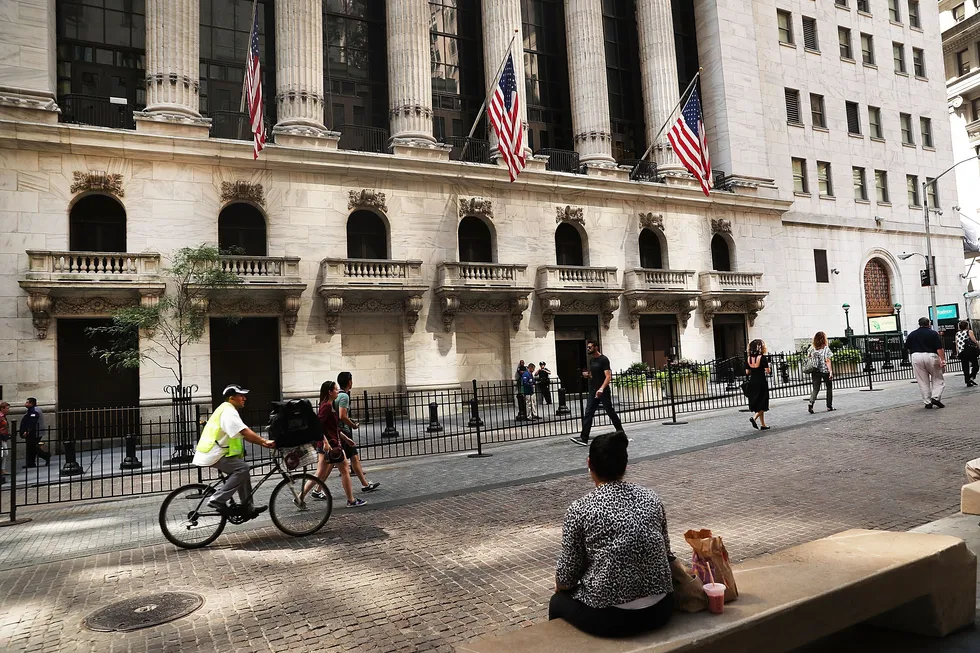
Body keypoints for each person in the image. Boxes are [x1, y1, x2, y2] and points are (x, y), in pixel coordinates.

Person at [549, 431, 674, 637]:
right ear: (625, 465)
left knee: (558, 602)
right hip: (661, 607)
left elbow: (566, 577)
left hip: (611, 616)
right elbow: (667, 553)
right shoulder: (651, 497)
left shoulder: (580, 509)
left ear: (590, 463)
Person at [193, 384, 275, 519]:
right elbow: (243, 431)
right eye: (241, 395)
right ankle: (217, 499)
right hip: (213, 453)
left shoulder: (227, 410)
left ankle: (247, 508)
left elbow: (239, 433)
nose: (245, 398)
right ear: (231, 398)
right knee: (243, 468)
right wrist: (263, 441)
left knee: (243, 472)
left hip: (216, 452)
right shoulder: (227, 411)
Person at [310, 371, 380, 499]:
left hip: (336, 435)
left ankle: (314, 490)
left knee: (334, 464)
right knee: (346, 463)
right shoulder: (343, 398)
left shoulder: (334, 399)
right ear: (349, 381)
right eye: (334, 389)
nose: (336, 391)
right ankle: (354, 496)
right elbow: (340, 416)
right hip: (337, 435)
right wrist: (351, 426)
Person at [312, 380, 366, 508]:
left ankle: (302, 496)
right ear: (330, 392)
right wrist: (325, 442)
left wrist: (346, 439)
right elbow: (318, 426)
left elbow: (333, 427)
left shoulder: (329, 405)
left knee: (321, 473)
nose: (338, 391)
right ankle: (351, 500)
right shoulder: (326, 406)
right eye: (335, 389)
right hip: (331, 444)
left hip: (334, 443)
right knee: (344, 470)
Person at [570, 340, 624, 446]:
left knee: (610, 412)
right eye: (588, 347)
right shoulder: (591, 360)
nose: (588, 349)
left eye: (590, 347)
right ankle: (584, 438)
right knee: (588, 413)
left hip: (602, 390)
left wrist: (602, 389)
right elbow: (593, 376)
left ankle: (621, 433)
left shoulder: (603, 359)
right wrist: (588, 375)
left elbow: (608, 377)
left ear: (596, 347)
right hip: (593, 390)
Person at [905, 317, 946, 408]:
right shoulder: (933, 334)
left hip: (916, 356)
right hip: (931, 355)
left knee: (922, 380)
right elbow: (939, 348)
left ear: (919, 324)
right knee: (938, 378)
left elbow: (907, 346)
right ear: (929, 323)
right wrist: (942, 359)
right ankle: (935, 397)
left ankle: (927, 402)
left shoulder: (912, 334)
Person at [745, 339, 771, 430]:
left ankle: (763, 425)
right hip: (761, 382)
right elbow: (768, 371)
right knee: (763, 402)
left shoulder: (748, 358)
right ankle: (754, 418)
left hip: (753, 382)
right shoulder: (762, 357)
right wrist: (768, 366)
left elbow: (747, 372)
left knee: (758, 402)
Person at [807, 331, 835, 414]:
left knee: (815, 388)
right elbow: (828, 360)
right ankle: (829, 406)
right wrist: (830, 371)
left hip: (815, 370)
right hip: (824, 370)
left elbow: (809, 357)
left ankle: (811, 403)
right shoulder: (826, 348)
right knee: (829, 387)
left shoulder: (812, 348)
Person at [18, 397, 49, 467]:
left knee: (32, 447)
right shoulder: (31, 410)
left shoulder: (34, 410)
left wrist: (27, 431)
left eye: (27, 402)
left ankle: (46, 456)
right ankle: (31, 463)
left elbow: (32, 422)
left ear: (31, 403)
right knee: (30, 448)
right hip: (33, 432)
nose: (25, 404)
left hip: (35, 432)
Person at [955, 320, 979, 387]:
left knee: (965, 367)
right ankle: (971, 377)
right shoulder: (969, 331)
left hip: (961, 352)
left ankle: (967, 380)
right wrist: (978, 346)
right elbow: (974, 340)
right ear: (967, 326)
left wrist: (957, 353)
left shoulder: (957, 333)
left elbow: (957, 344)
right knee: (976, 365)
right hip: (969, 351)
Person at [0, 402, 9, 485]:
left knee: (5, 453)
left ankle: (2, 470)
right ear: (2, 408)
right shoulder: (0, 416)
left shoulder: (3, 416)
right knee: (4, 453)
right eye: (7, 408)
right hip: (1, 437)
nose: (8, 409)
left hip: (4, 436)